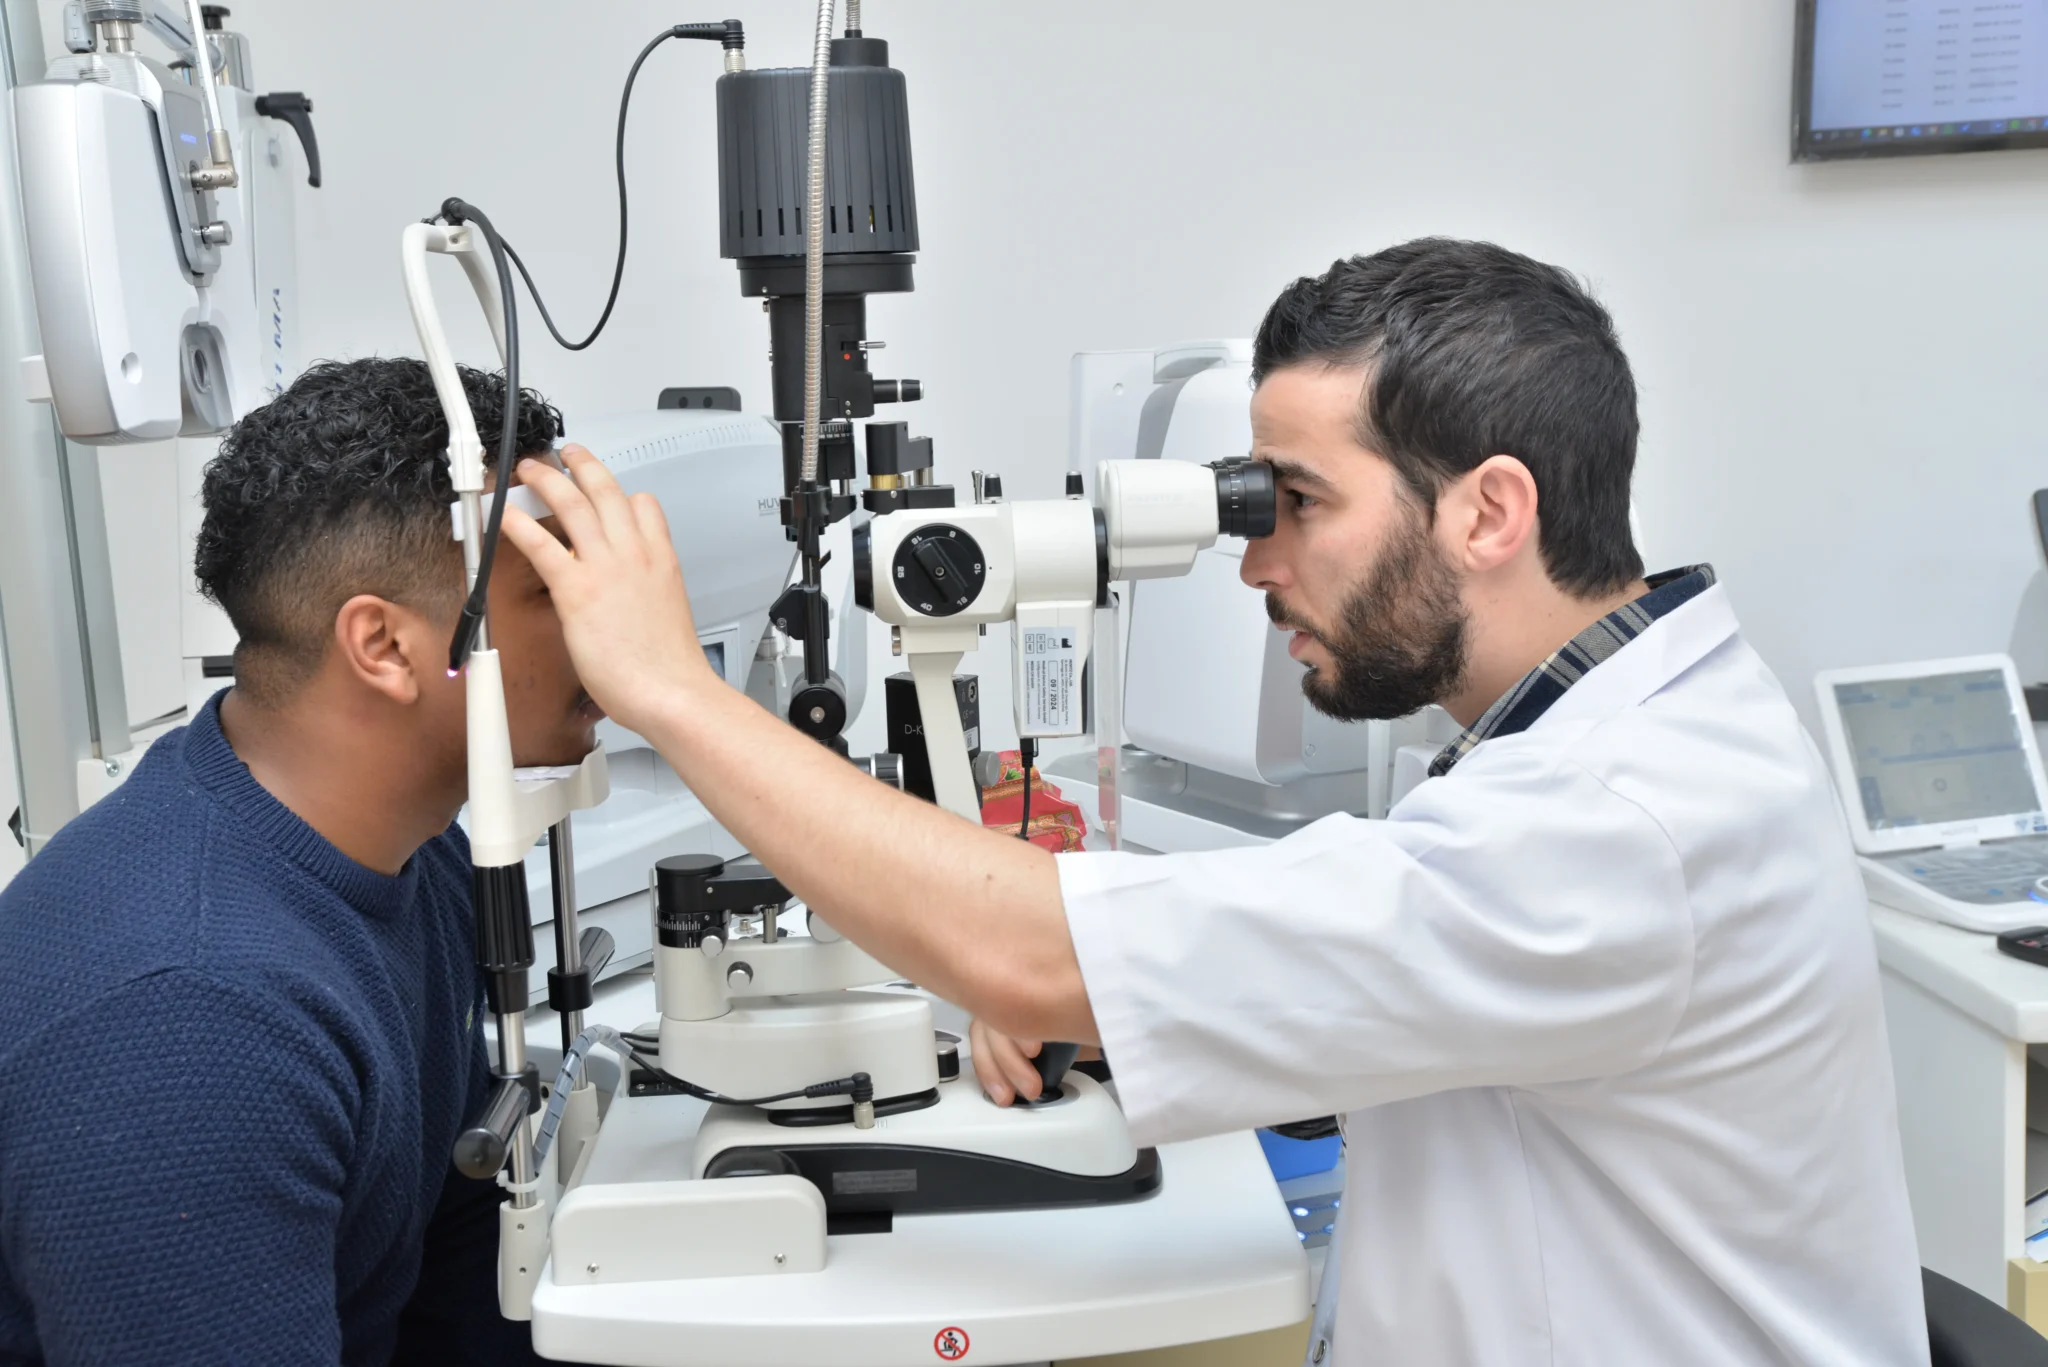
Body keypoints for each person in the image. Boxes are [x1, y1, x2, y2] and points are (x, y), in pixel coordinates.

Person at [506, 237, 1928, 1365]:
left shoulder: (1619, 822)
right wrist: (1140, 1005)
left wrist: (671, 689)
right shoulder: (1618, 730)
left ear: (1490, 512)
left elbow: (1027, 951)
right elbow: (1410, 984)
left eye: (1296, 502)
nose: (1256, 564)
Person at [0, 358, 598, 1366]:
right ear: (386, 646)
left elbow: (457, 1265)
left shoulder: (419, 855)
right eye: (551, 588)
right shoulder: (194, 1019)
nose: (602, 624)